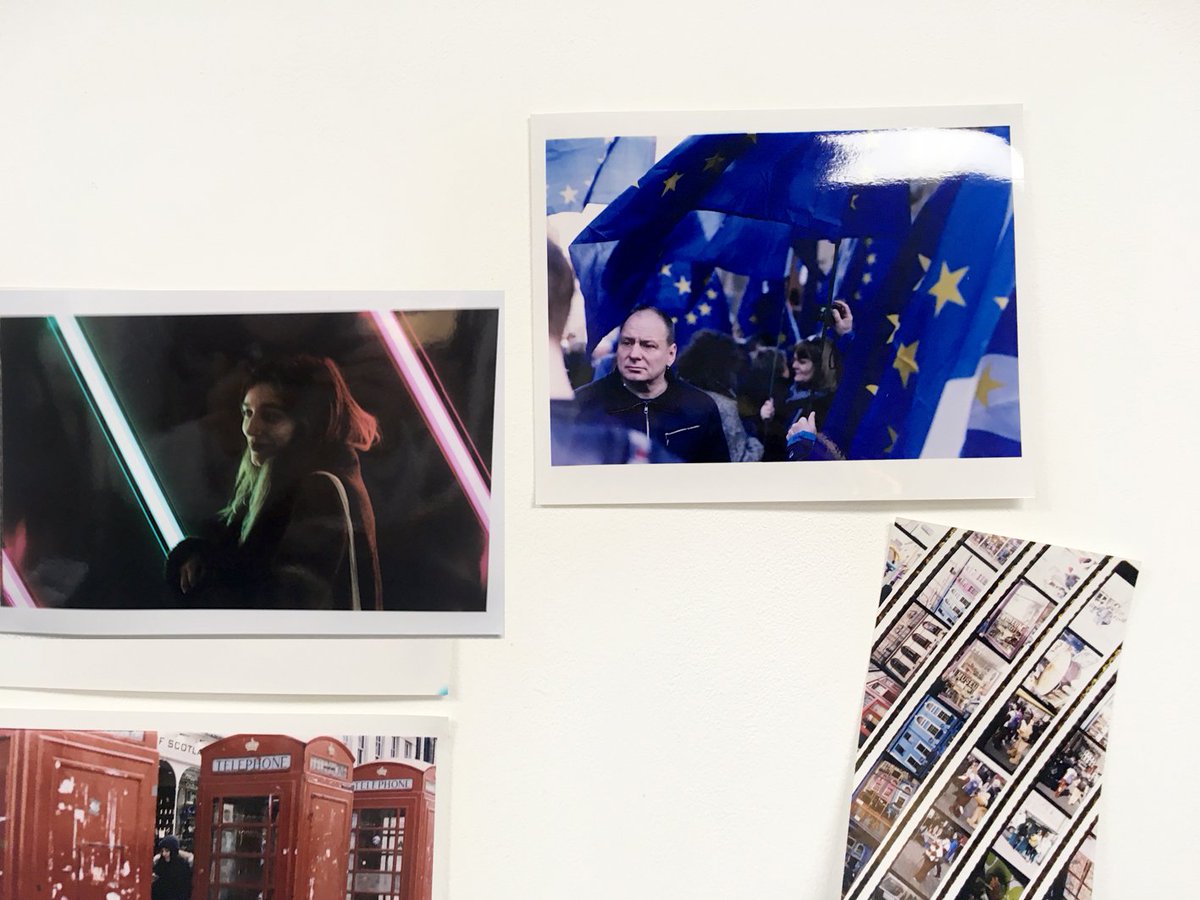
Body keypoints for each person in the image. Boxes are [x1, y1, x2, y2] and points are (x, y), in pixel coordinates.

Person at [165, 355, 382, 610]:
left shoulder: (318, 490)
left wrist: (210, 576)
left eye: (271, 416)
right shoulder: (277, 485)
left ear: (307, 423)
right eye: (247, 413)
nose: (250, 428)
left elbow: (286, 603)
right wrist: (201, 558)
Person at [574, 306, 730, 463]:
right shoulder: (583, 404)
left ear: (671, 354)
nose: (634, 354)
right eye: (627, 343)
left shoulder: (701, 408)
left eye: (648, 345)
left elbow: (717, 475)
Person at [674, 329, 764, 462]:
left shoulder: (673, 395)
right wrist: (755, 443)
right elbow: (739, 460)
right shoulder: (723, 407)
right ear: (726, 367)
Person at [152, 835, 192, 900]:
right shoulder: (160, 863)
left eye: (167, 851)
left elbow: (185, 888)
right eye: (162, 851)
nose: (164, 854)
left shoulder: (182, 866)